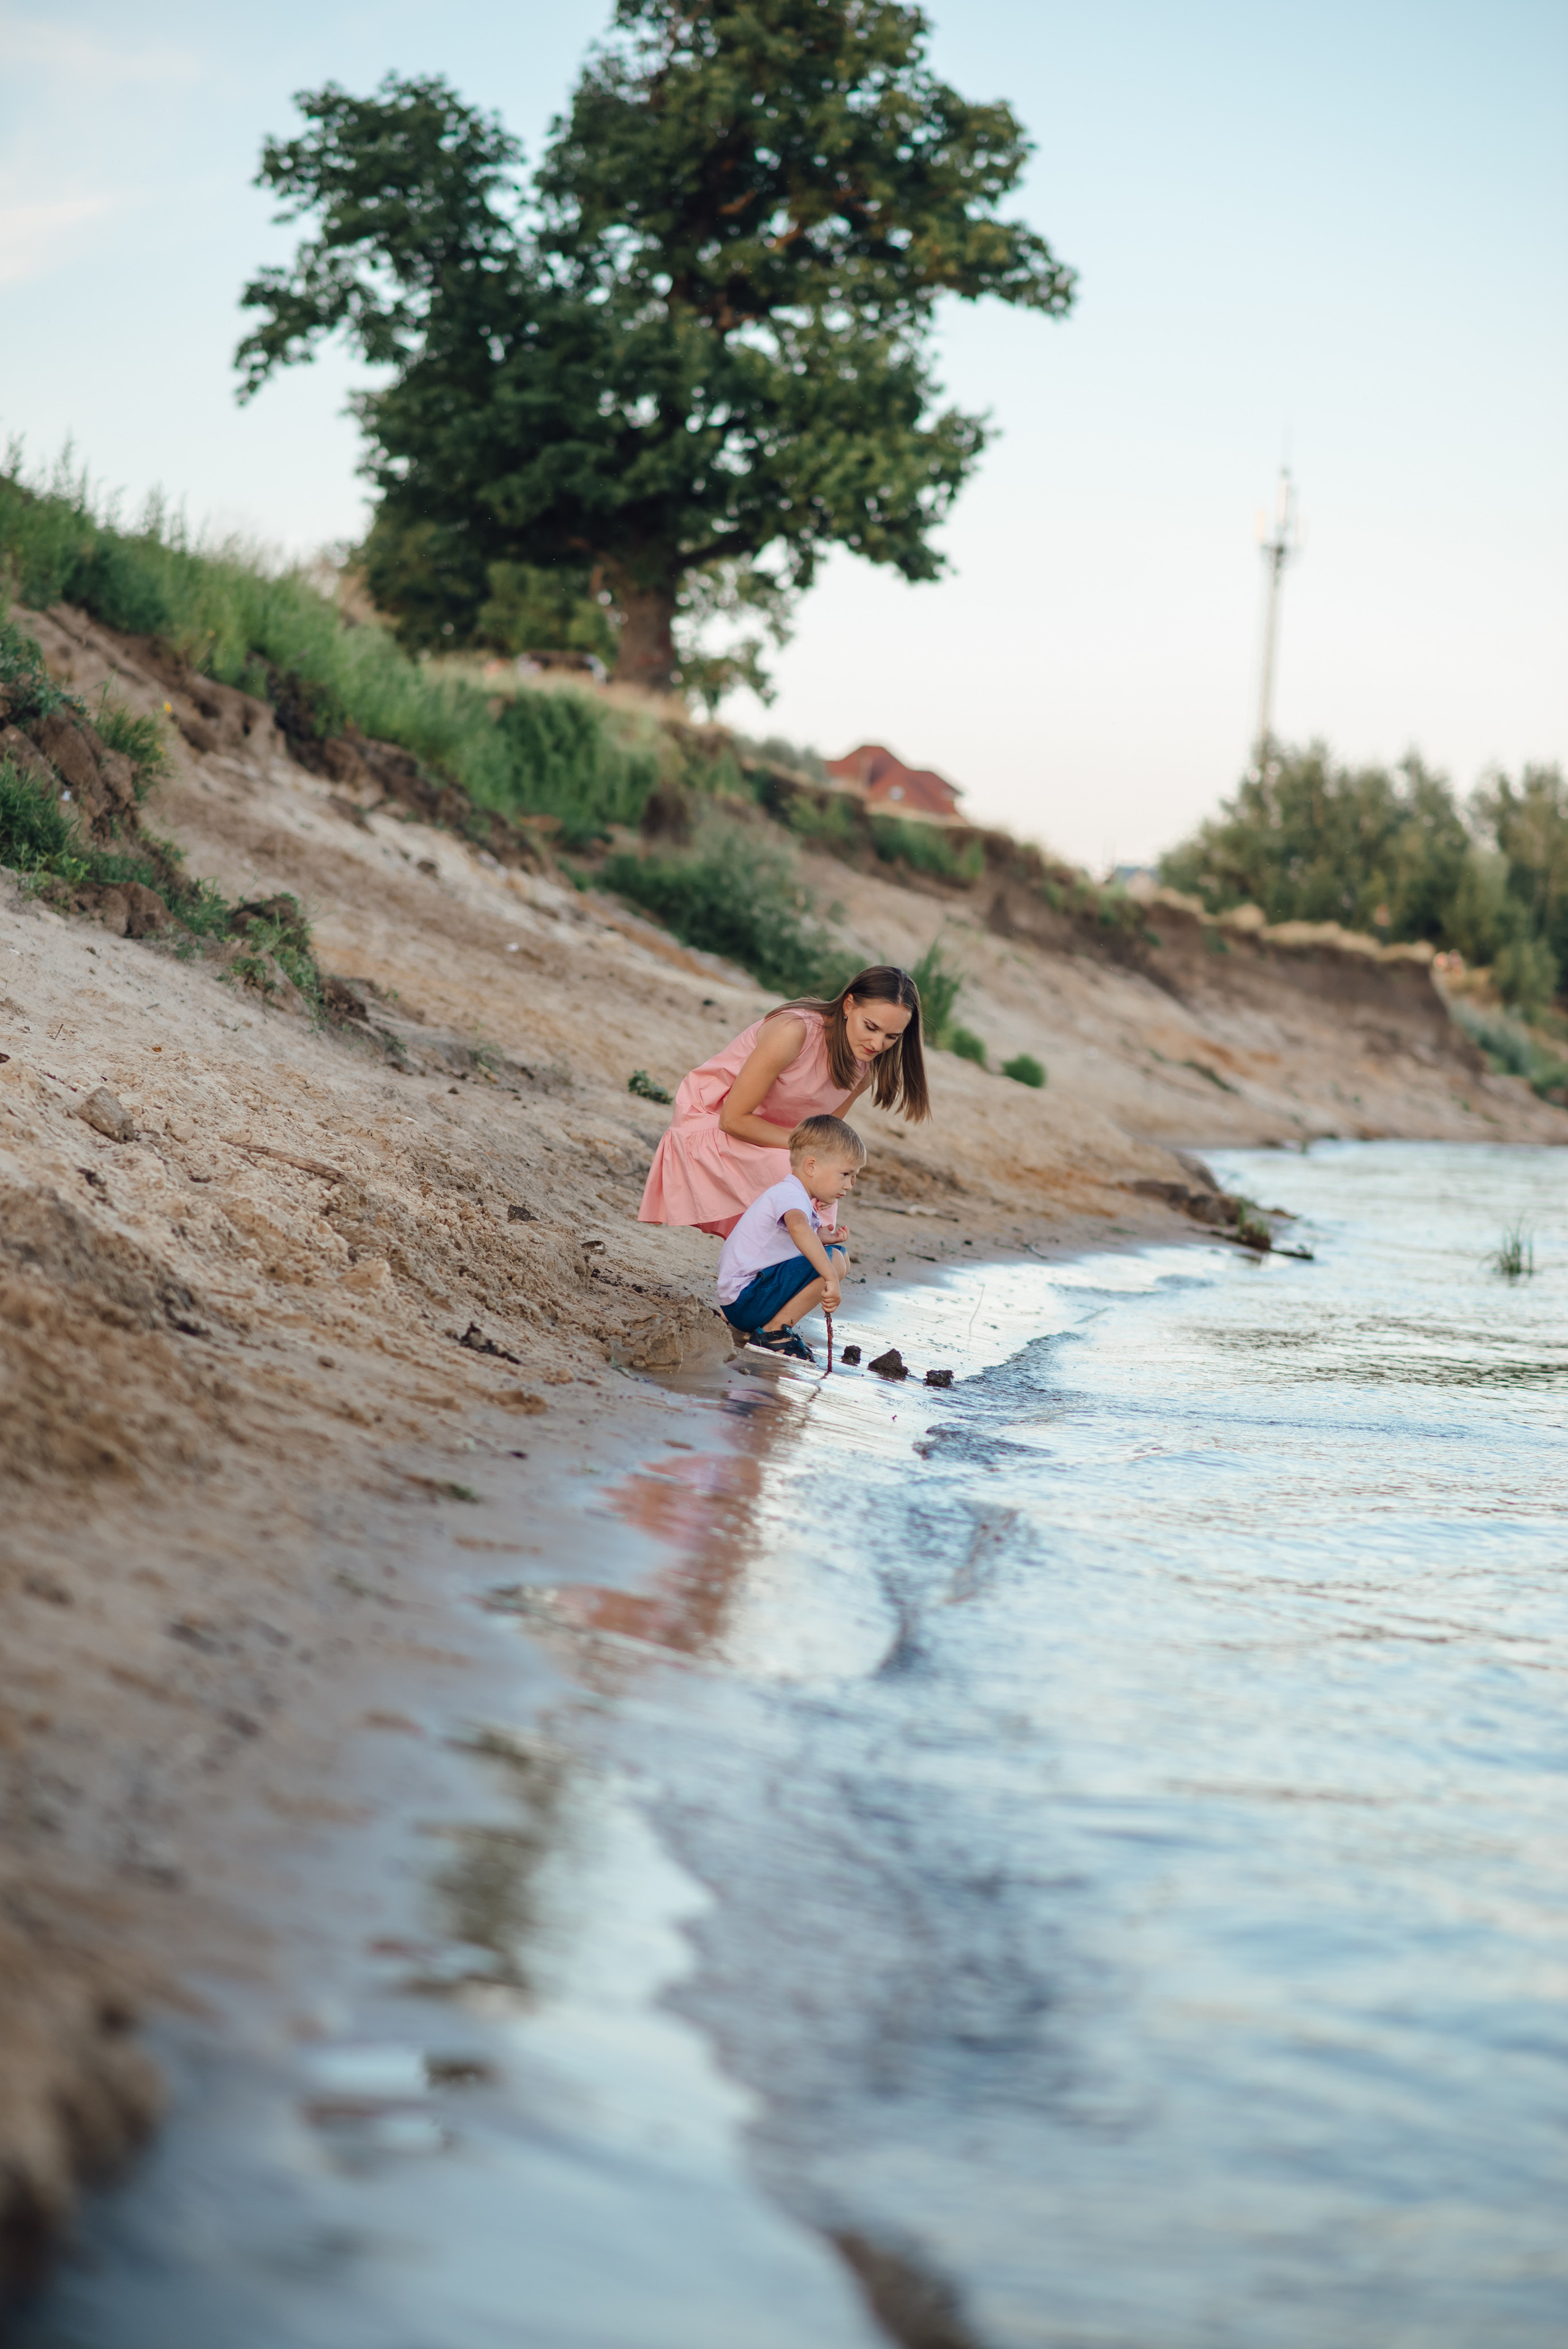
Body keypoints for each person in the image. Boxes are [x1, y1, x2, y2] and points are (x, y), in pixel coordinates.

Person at [639, 964, 929, 1239]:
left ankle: (795, 1269)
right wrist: (811, 1150)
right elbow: (733, 1120)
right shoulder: (794, 1031)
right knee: (799, 1176)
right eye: (871, 1027)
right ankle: (786, 1266)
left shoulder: (862, 1072)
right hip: (710, 1123)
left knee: (823, 1182)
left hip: (769, 1138)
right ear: (849, 1005)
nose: (878, 1045)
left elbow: (822, 1135)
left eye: (892, 1037)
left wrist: (825, 1162)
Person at [715, 1115, 865, 1361]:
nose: (850, 1184)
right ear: (811, 1167)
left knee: (842, 1257)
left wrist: (821, 1237)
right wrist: (830, 1278)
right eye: (846, 1174)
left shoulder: (794, 1195)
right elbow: (797, 1227)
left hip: (744, 1299)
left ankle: (774, 1324)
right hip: (744, 1301)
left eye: (854, 1176)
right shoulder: (790, 1195)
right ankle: (774, 1332)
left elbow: (783, 1240)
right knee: (834, 1263)